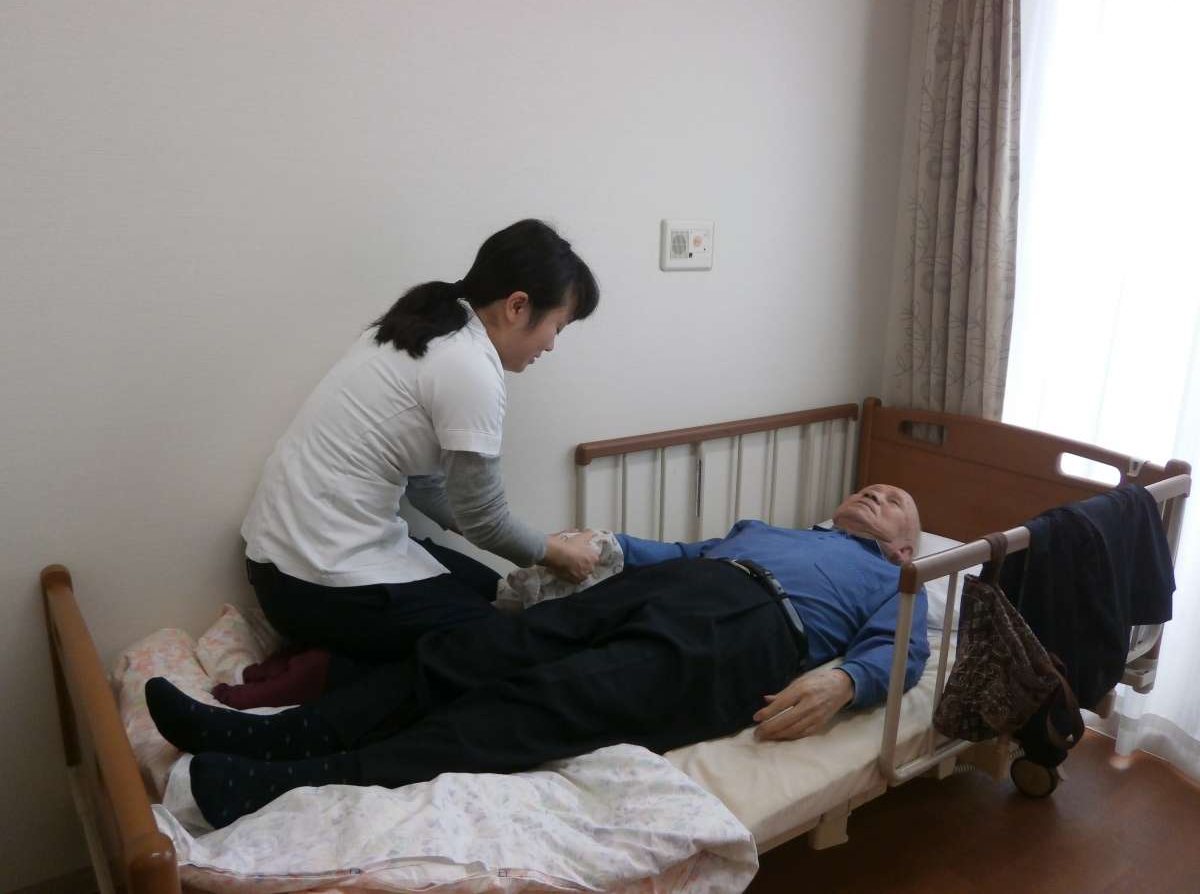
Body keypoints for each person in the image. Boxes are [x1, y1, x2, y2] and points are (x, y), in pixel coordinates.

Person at [147, 484, 928, 829]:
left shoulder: (900, 579)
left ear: (904, 545)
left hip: (752, 632)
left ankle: (291, 779)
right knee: (479, 647)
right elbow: (686, 552)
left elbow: (903, 649)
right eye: (871, 487)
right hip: (682, 585)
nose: (877, 494)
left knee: (548, 700)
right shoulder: (771, 530)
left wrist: (845, 679)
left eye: (895, 501)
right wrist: (608, 545)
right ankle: (279, 732)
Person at [233, 219, 601, 703]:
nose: (551, 345)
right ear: (517, 306)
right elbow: (486, 521)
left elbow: (428, 488)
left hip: (278, 567)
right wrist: (556, 552)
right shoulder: (469, 367)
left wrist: (535, 545)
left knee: (491, 590)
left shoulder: (425, 328)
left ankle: (330, 653)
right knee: (498, 646)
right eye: (557, 327)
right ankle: (327, 673)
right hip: (311, 582)